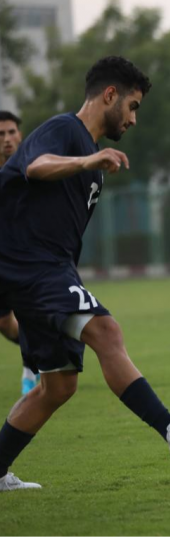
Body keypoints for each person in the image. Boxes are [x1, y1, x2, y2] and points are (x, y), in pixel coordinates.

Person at [0, 56, 170, 492]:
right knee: (107, 332)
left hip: (36, 270)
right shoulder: (66, 130)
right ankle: (169, 428)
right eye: (131, 106)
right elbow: (33, 167)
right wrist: (86, 162)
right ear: (109, 95)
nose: (132, 119)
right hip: (30, 266)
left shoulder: (90, 155)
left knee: (58, 387)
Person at [0, 111, 39, 395]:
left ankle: (31, 366)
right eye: (0, 135)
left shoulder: (31, 168)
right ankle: (36, 353)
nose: (6, 140)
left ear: (20, 135)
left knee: (30, 315)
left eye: (11, 132)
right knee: (5, 324)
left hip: (27, 259)